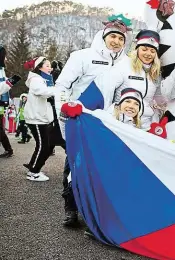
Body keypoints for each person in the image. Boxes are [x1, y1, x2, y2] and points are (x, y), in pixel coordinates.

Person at [55, 15, 132, 227]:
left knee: (101, 168)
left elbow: (123, 93)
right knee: (73, 164)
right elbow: (62, 86)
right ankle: (70, 208)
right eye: (113, 36)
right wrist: (63, 110)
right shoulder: (82, 56)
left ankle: (95, 211)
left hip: (106, 123)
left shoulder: (126, 63)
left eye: (121, 38)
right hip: (80, 119)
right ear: (104, 36)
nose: (116, 41)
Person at [112, 29, 162, 130]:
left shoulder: (156, 72)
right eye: (144, 49)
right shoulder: (124, 65)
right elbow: (105, 89)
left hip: (145, 125)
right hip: (122, 123)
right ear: (137, 49)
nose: (148, 54)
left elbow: (159, 98)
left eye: (152, 51)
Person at [22, 57, 58, 181]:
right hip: (36, 117)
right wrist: (58, 90)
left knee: (44, 146)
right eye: (47, 65)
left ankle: (33, 166)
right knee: (44, 146)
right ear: (40, 67)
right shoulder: (36, 79)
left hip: (41, 117)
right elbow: (42, 92)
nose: (50, 68)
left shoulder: (43, 79)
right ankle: (33, 172)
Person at [0, 45, 21, 158]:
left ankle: (9, 150)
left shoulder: (1, 69)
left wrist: (10, 81)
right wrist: (11, 82)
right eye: (5, 56)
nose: (6, 59)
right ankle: (9, 149)